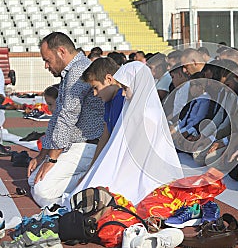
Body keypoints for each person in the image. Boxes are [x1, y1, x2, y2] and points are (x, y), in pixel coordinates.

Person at [70, 61, 183, 205]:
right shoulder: (130, 107)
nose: (123, 93)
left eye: (125, 88)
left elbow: (138, 158)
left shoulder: (147, 115)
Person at [27, 32, 104, 207]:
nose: (47, 66)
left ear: (61, 51)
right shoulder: (70, 72)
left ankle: (94, 178)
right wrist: (43, 155)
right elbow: (57, 116)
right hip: (75, 144)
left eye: (48, 60)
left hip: (87, 145)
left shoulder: (78, 71)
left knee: (41, 190)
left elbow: (67, 117)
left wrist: (52, 159)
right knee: (33, 181)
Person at [81, 57, 124, 164]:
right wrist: (93, 166)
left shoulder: (122, 99)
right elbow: (106, 133)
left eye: (96, 88)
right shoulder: (110, 101)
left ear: (109, 79)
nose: (95, 94)